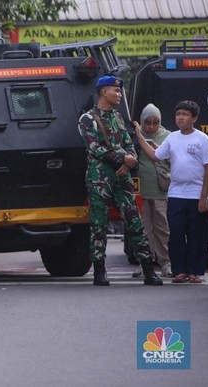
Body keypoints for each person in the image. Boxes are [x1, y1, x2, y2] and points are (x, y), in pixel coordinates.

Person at [78, 75, 162, 286]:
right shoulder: (87, 119)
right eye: (115, 91)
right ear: (103, 92)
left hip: (122, 177)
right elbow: (94, 148)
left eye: (119, 90)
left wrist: (130, 161)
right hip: (100, 179)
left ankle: (148, 270)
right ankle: (99, 271)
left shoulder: (118, 117)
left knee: (135, 222)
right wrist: (121, 158)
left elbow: (128, 142)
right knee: (99, 225)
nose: (118, 94)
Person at [135, 100, 208, 284]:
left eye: (185, 114)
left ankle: (195, 272)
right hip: (176, 193)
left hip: (196, 195)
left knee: (196, 235)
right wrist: (139, 136)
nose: (181, 117)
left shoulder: (203, 139)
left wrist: (204, 197)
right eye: (178, 114)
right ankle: (180, 271)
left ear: (194, 118)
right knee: (175, 233)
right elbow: (155, 155)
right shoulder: (172, 138)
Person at [132, 104, 172, 278]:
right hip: (141, 191)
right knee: (143, 229)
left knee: (162, 229)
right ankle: (144, 263)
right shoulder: (134, 136)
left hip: (160, 191)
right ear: (142, 121)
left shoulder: (168, 136)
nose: (151, 127)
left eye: (155, 122)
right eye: (147, 122)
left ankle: (166, 263)